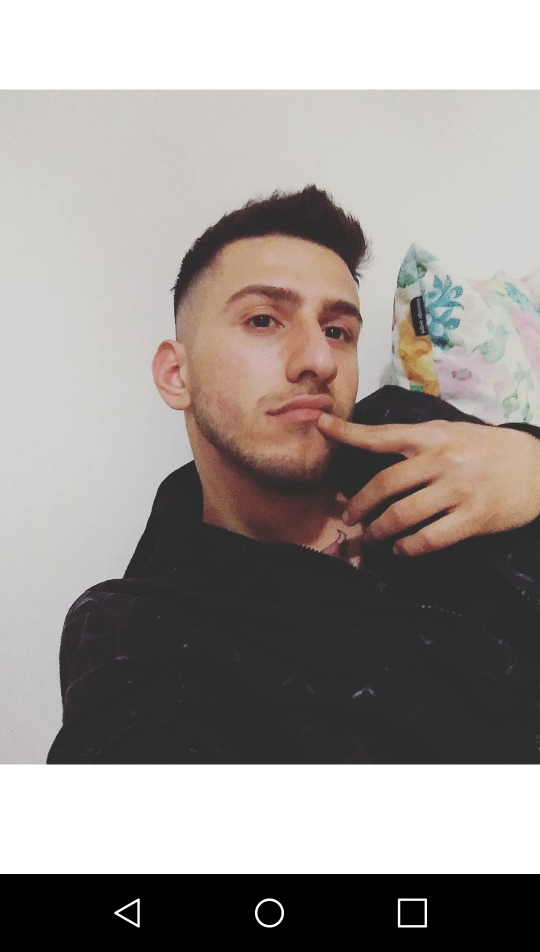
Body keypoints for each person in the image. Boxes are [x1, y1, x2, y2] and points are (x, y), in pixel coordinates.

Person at [47, 186, 540, 763]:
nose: (319, 360)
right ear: (177, 375)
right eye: (264, 320)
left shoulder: (407, 429)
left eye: (337, 331)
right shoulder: (138, 628)